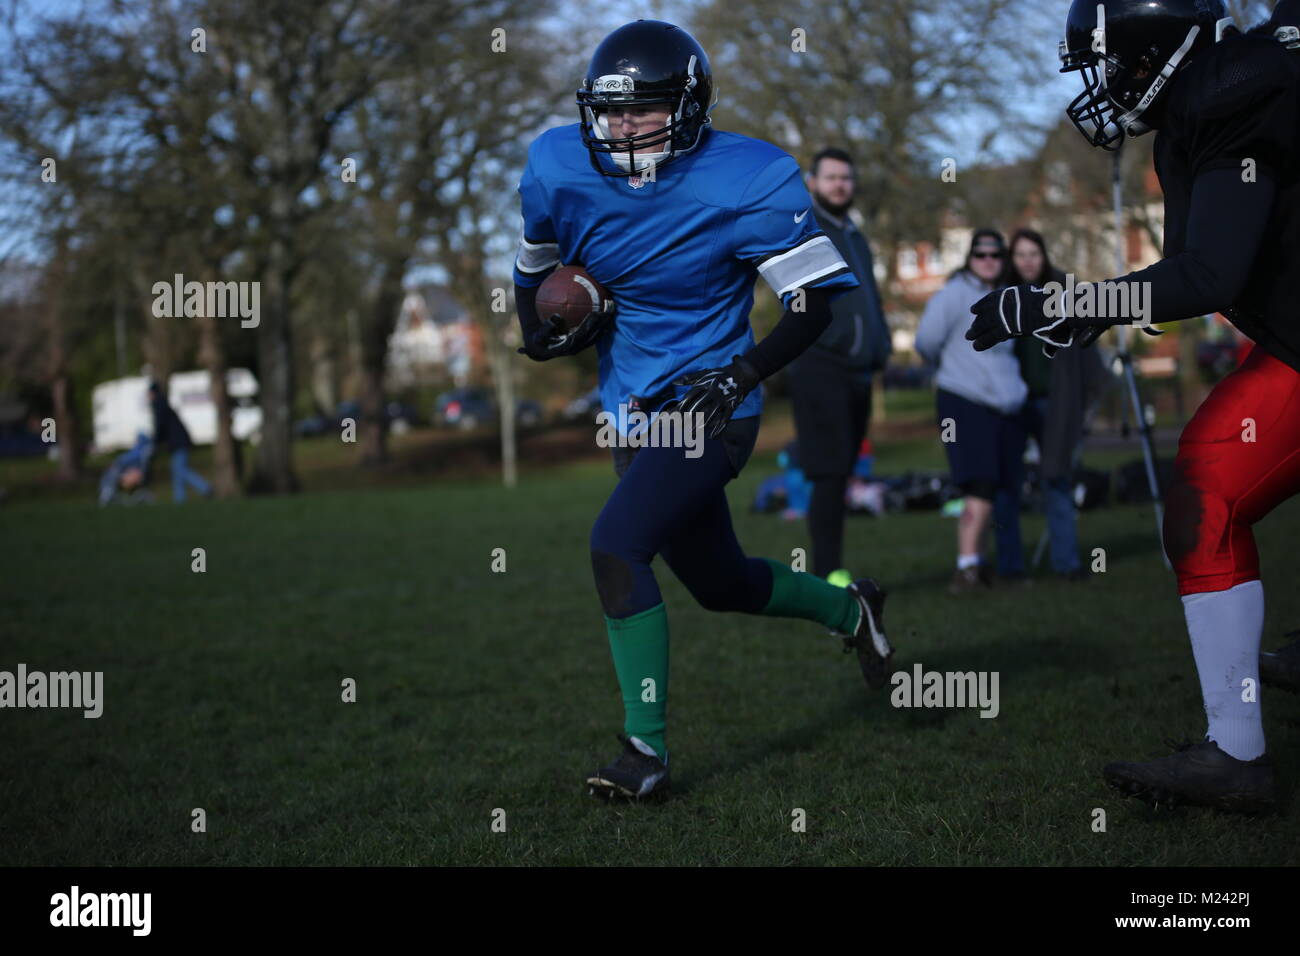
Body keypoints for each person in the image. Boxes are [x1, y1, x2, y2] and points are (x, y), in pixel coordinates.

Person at [512, 20, 893, 801]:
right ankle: (851, 611)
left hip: (711, 402)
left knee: (617, 546)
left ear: (687, 106)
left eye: (643, 109)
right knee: (720, 583)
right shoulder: (557, 162)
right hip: (630, 407)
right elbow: (536, 265)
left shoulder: (746, 176)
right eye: (612, 111)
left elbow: (814, 304)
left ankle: (643, 751)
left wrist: (741, 373)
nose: (622, 127)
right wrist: (543, 331)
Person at [967, 0, 1300, 812]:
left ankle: (1236, 754)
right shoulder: (1210, 100)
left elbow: (1210, 275)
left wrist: (1051, 303)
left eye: (1112, 62)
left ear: (1163, 48)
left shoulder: (1241, 94)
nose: (1104, 84)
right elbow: (1194, 261)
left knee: (1209, 488)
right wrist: (1090, 309)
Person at [785, 147, 892, 587]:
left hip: (859, 371)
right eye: (830, 178)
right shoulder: (804, 231)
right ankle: (827, 574)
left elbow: (867, 300)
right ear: (812, 182)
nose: (839, 185)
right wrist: (833, 340)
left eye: (846, 178)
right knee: (828, 472)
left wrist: (880, 345)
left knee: (845, 470)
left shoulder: (856, 236)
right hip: (820, 366)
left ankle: (832, 567)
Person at [916, 229, 1028, 593]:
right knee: (978, 485)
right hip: (963, 400)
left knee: (999, 488)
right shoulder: (952, 295)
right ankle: (966, 567)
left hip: (1006, 405)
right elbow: (926, 342)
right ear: (969, 258)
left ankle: (982, 564)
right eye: (980, 255)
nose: (988, 261)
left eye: (996, 255)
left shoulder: (1010, 295)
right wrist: (956, 371)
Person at [1001, 229, 1107, 579]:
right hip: (1012, 404)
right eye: (1021, 255)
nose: (1028, 261)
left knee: (1057, 479)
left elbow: (1090, 355)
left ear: (1043, 256)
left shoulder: (1066, 292)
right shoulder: (1002, 295)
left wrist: (1088, 406)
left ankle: (1067, 564)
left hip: (1056, 403)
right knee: (1006, 483)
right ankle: (1010, 566)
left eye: (1034, 253)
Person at [147, 380, 212, 502]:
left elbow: (160, 427)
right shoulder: (162, 404)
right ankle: (180, 499)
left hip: (178, 443)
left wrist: (155, 442)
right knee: (177, 471)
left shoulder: (159, 405)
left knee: (180, 470)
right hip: (178, 442)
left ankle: (204, 488)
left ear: (153, 393)